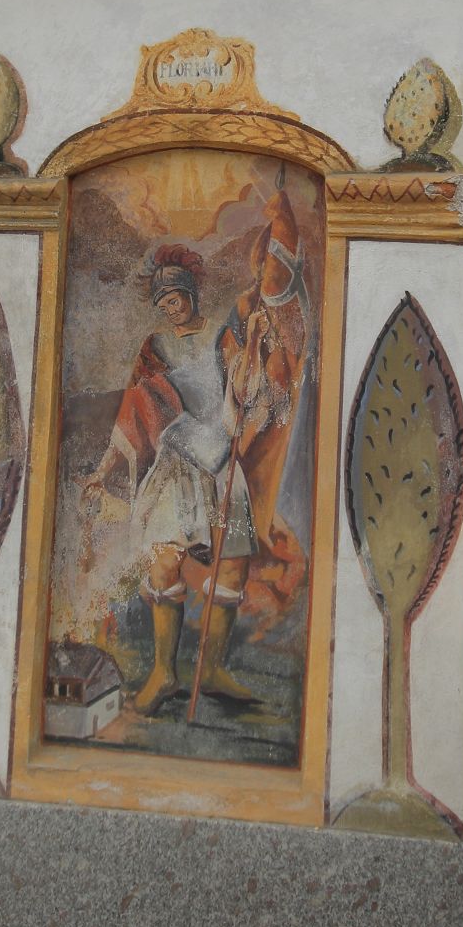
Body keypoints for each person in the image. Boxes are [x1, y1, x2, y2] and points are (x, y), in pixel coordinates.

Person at [82, 191, 305, 715]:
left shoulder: (225, 333)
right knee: (165, 563)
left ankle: (215, 668)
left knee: (233, 566)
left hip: (221, 460)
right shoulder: (156, 348)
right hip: (179, 463)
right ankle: (164, 673)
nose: (169, 306)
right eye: (162, 301)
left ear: (190, 293)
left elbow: (244, 385)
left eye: (175, 296)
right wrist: (102, 470)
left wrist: (254, 345)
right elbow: (134, 413)